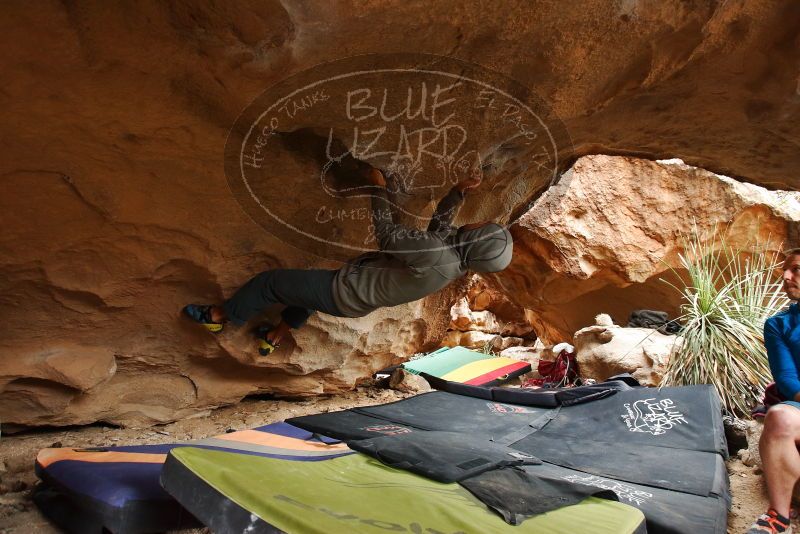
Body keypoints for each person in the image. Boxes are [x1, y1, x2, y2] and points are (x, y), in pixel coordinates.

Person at [183, 166, 513, 355]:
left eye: (484, 227)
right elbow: (439, 227)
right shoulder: (452, 260)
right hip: (352, 299)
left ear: (476, 240)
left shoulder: (437, 255)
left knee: (271, 284)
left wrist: (377, 188)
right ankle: (273, 338)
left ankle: (218, 315)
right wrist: (457, 191)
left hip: (342, 291)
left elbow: (386, 234)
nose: (480, 222)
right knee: (304, 294)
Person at [748, 248, 800, 534]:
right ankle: (779, 518)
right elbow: (788, 381)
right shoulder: (779, 325)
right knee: (779, 416)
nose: (786, 276)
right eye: (785, 270)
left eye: (796, 269)